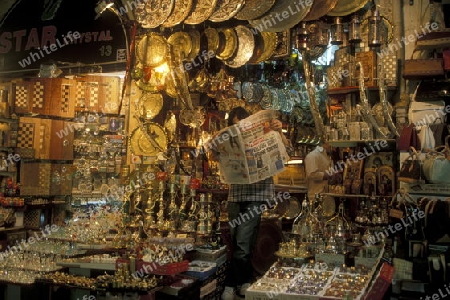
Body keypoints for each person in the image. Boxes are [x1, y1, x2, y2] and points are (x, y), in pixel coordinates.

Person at [211, 107, 291, 300]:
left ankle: (230, 285)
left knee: (243, 243)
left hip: (257, 194)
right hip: (236, 195)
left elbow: (287, 151)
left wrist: (279, 131)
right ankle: (244, 281)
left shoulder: (267, 130)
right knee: (237, 241)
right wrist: (215, 150)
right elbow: (215, 157)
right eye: (236, 124)